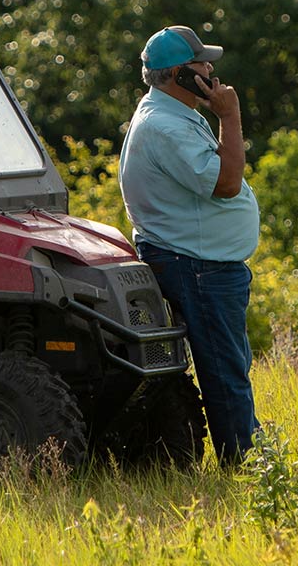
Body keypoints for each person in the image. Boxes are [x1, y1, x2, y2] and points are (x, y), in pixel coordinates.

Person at [118, 23, 260, 465]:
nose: (211, 69)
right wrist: (231, 117)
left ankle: (248, 450)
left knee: (230, 365)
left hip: (201, 262)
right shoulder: (165, 126)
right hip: (197, 266)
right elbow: (227, 182)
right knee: (224, 370)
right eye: (202, 62)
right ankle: (246, 463)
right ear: (181, 74)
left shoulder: (171, 115)